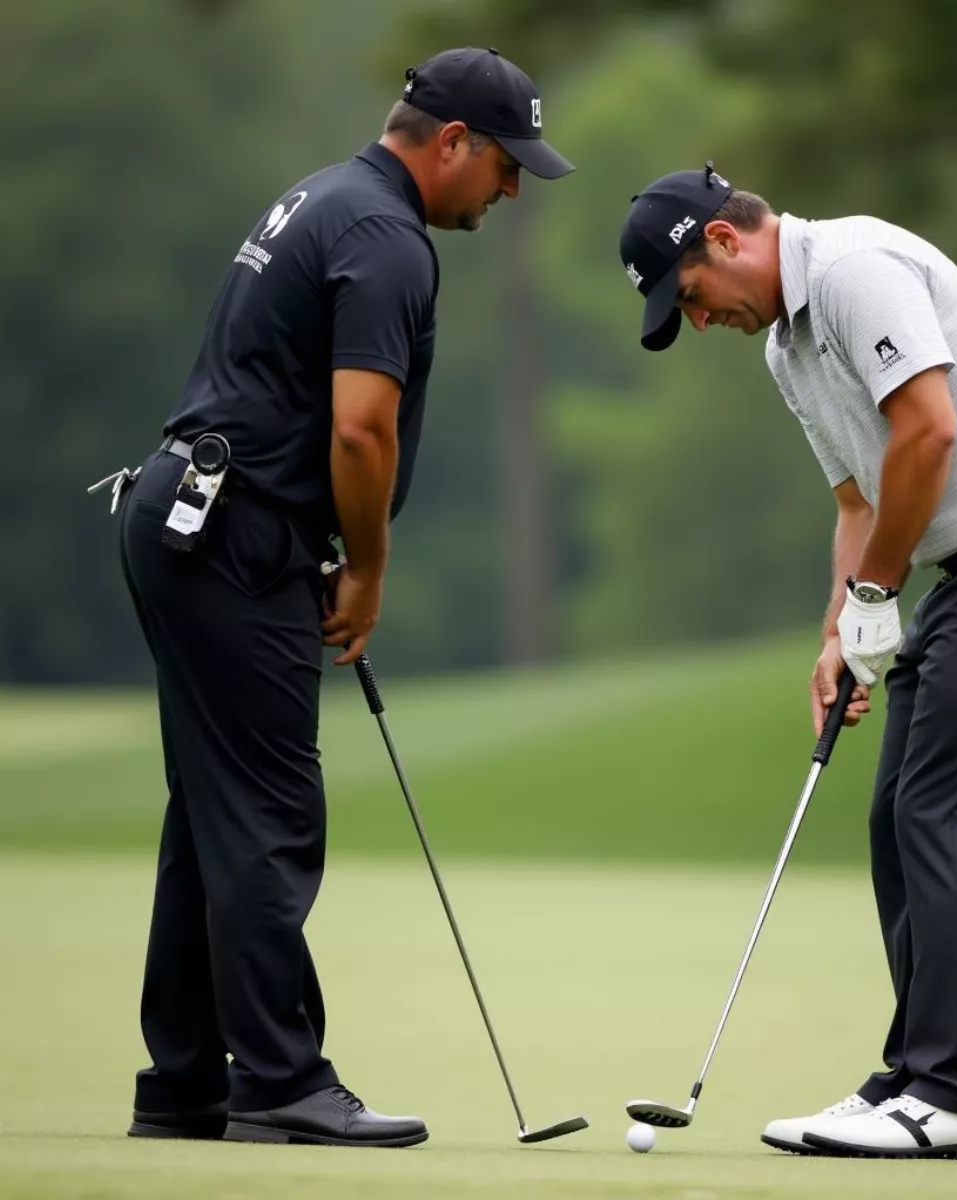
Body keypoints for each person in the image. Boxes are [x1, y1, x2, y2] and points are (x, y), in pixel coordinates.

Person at [617, 165, 957, 1160]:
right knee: (897, 815)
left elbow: (930, 430)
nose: (698, 324)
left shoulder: (859, 269)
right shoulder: (786, 346)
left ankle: (956, 1092)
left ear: (724, 244)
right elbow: (860, 500)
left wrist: (876, 595)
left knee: (940, 816)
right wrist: (838, 627)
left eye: (688, 298)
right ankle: (914, 1073)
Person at [97, 47, 573, 1149]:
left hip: (189, 514)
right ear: (451, 142)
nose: (510, 193)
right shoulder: (384, 236)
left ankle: (185, 1079)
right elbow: (361, 425)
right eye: (506, 169)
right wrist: (367, 566)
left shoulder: (327, 194)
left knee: (213, 812)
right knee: (270, 811)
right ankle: (279, 1080)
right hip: (232, 531)